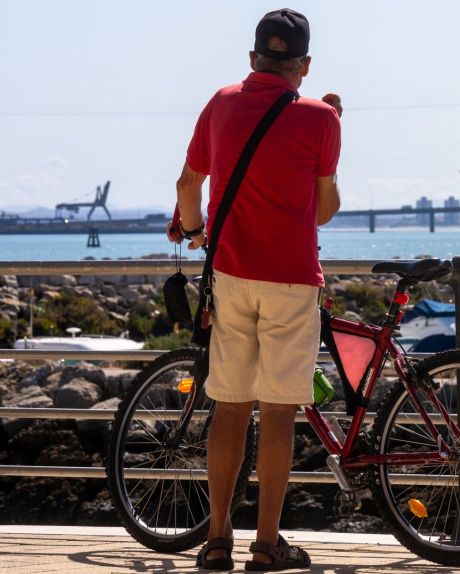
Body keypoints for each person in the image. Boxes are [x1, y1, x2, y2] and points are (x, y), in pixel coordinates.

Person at [170, 8, 341, 571]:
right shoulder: (320, 117)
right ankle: (266, 546)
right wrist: (333, 132)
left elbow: (187, 184)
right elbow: (324, 210)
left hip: (232, 276)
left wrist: (195, 232)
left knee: (229, 408)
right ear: (305, 65)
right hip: (290, 280)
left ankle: (216, 539)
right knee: (277, 413)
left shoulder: (220, 103)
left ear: (252, 59)